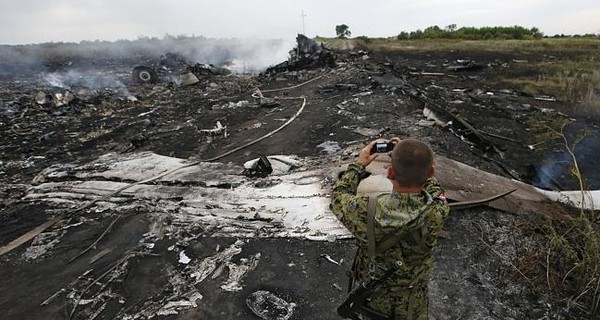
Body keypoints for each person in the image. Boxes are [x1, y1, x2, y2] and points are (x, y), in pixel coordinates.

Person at [330, 137, 450, 320]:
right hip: (413, 302)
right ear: (431, 172)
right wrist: (413, 159)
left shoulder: (364, 210)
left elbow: (338, 196)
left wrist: (358, 165)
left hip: (372, 299)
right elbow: (437, 191)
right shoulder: (437, 210)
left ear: (390, 172)